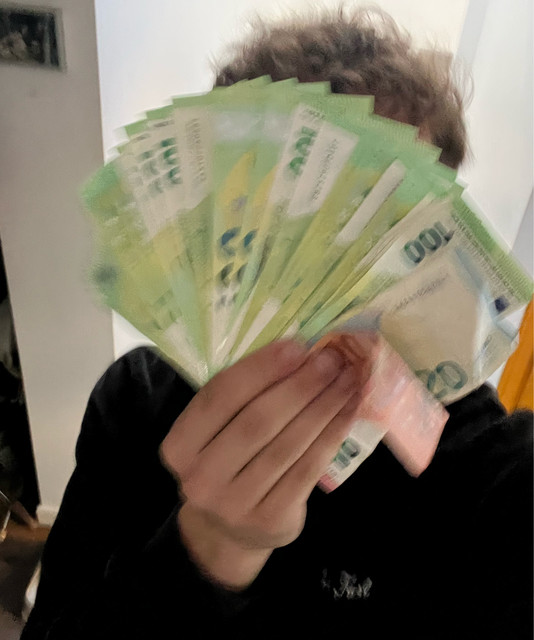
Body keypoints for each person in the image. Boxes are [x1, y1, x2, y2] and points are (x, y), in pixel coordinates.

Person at [21, 8, 532, 640]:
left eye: (383, 224)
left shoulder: (479, 463)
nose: (337, 283)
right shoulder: (135, 400)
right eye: (305, 225)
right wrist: (207, 550)